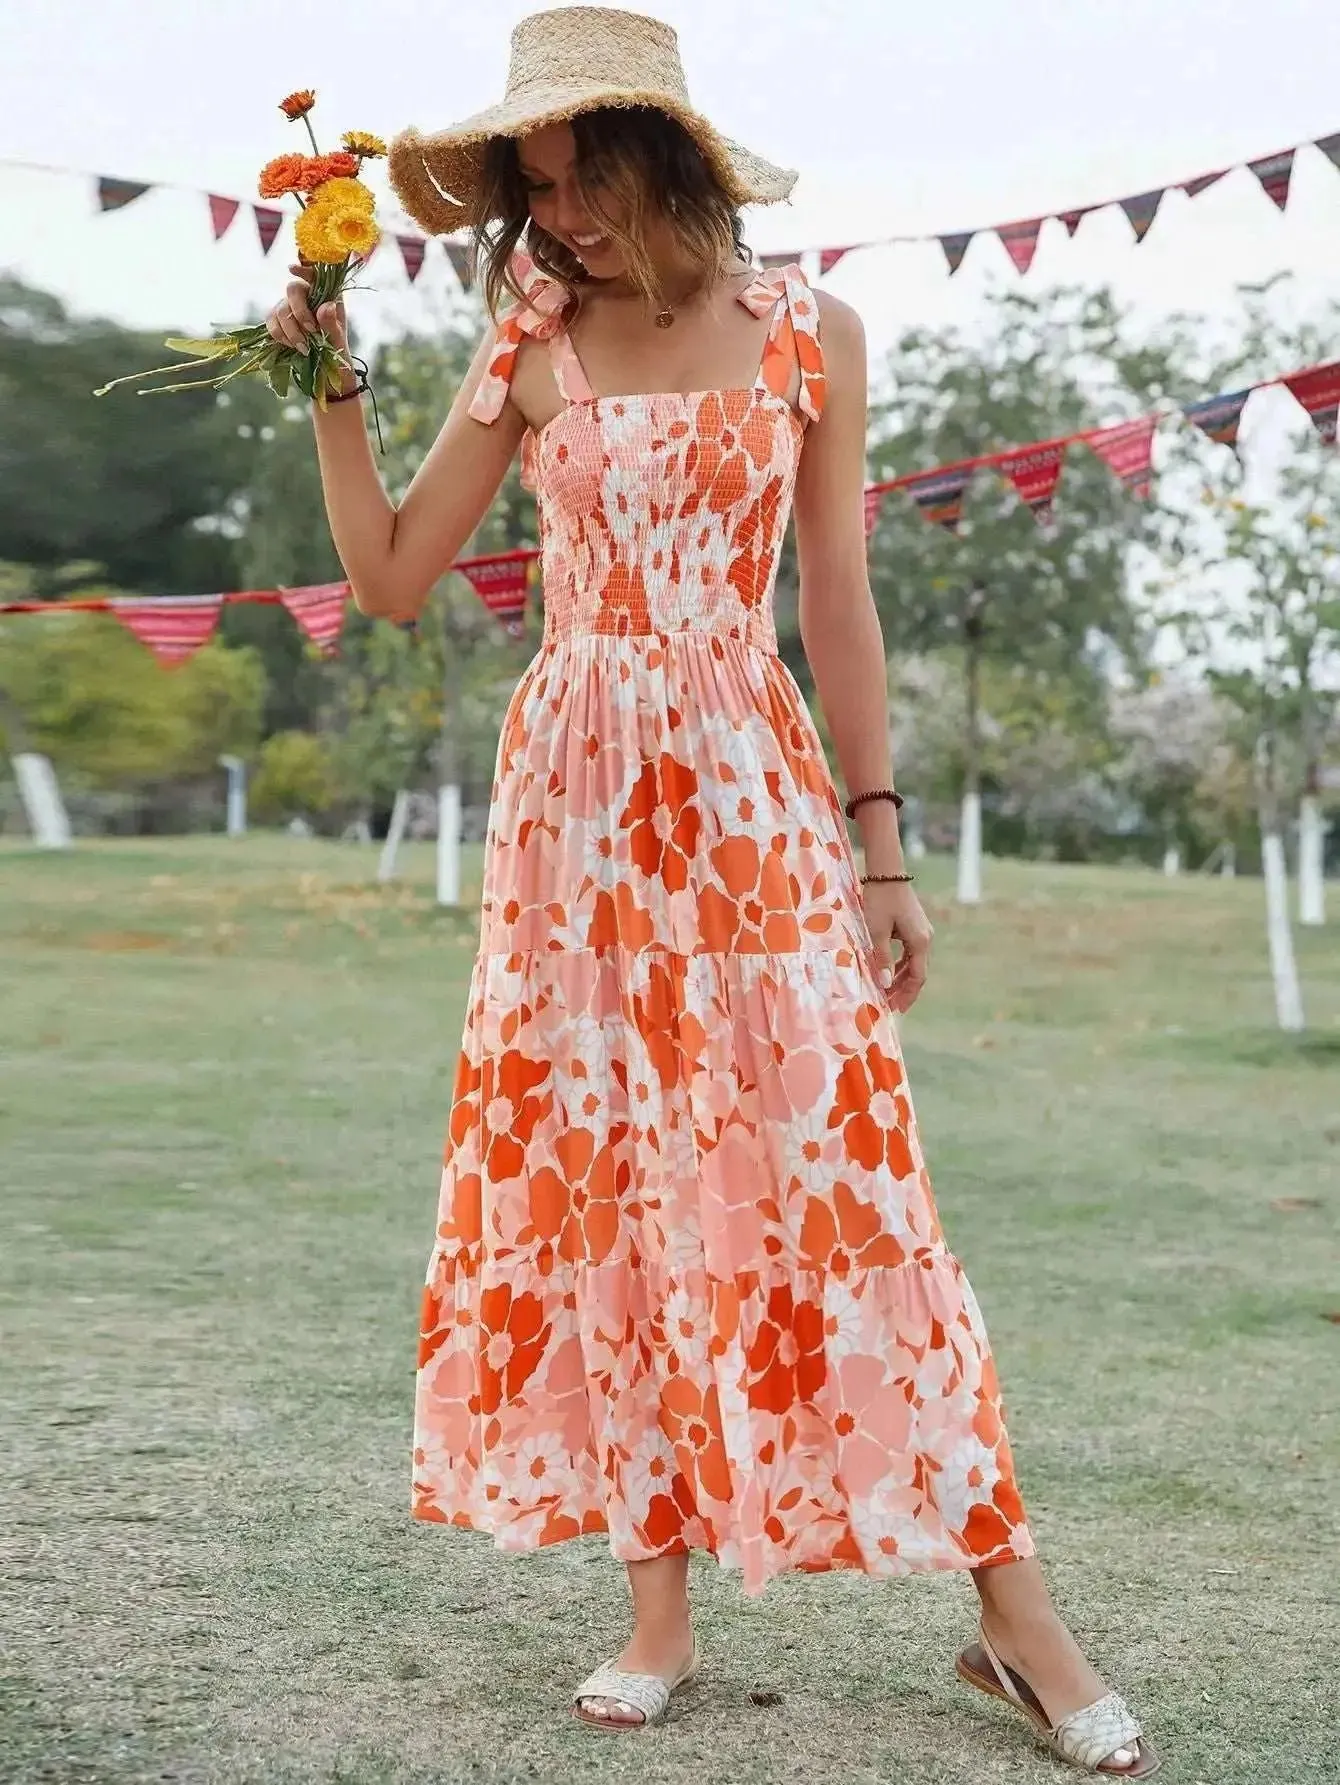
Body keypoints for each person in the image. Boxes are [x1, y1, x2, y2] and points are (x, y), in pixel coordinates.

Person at [266, 7, 1159, 1774]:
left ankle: (1015, 1613)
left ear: (662, 155)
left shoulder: (811, 335)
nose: (562, 215)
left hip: (752, 798)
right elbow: (384, 578)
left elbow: (838, 602)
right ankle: (654, 1610)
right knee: (605, 1175)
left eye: (579, 174)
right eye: (534, 187)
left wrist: (880, 840)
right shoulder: (528, 339)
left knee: (844, 1170)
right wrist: (333, 389)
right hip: (573, 813)